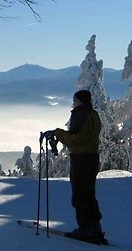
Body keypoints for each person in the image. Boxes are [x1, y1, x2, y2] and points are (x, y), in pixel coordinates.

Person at [42, 90, 105, 244]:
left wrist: (57, 133)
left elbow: (75, 139)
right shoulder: (93, 114)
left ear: (80, 101)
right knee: (88, 194)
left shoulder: (82, 114)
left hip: (82, 159)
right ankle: (95, 228)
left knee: (80, 194)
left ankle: (86, 230)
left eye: (75, 100)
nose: (73, 103)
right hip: (91, 158)